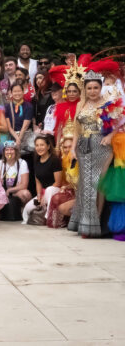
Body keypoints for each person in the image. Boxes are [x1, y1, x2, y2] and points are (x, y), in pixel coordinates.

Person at [69, 69, 120, 238]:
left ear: (100, 88)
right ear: (85, 89)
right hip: (83, 147)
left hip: (101, 146)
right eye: (89, 88)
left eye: (95, 88)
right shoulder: (80, 104)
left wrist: (110, 136)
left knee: (97, 184)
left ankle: (95, 221)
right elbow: (76, 130)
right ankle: (84, 222)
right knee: (84, 184)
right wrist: (72, 149)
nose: (92, 91)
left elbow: (119, 124)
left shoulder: (109, 103)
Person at [22, 135, 62, 224]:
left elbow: (58, 182)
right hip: (44, 193)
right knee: (28, 208)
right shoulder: (37, 161)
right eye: (37, 145)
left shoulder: (54, 160)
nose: (39, 148)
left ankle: (48, 217)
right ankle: (27, 221)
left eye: (42, 145)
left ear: (48, 147)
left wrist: (45, 195)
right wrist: (39, 195)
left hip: (55, 191)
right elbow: (38, 181)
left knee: (49, 189)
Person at [0, 141, 32, 221]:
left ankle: (25, 212)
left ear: (16, 151)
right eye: (7, 150)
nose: (9, 152)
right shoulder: (0, 163)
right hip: (3, 192)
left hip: (16, 192)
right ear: (4, 152)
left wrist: (10, 190)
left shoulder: (22, 163)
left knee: (26, 194)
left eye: (12, 149)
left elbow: (24, 185)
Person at [5, 83, 34, 153]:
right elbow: (9, 127)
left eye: (19, 91)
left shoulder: (28, 106)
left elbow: (25, 126)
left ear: (23, 91)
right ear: (11, 93)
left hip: (25, 137)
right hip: (13, 136)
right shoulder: (7, 107)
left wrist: (19, 139)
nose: (17, 93)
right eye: (15, 91)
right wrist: (17, 139)